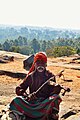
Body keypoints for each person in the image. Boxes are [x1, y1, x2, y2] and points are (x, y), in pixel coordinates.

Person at [9, 52, 62, 120]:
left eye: (42, 63)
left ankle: (53, 115)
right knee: (17, 100)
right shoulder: (31, 76)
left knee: (56, 97)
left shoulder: (50, 76)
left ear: (46, 64)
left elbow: (53, 92)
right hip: (32, 103)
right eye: (38, 63)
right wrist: (26, 95)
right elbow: (19, 88)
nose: (40, 65)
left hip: (44, 103)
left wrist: (56, 90)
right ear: (34, 64)